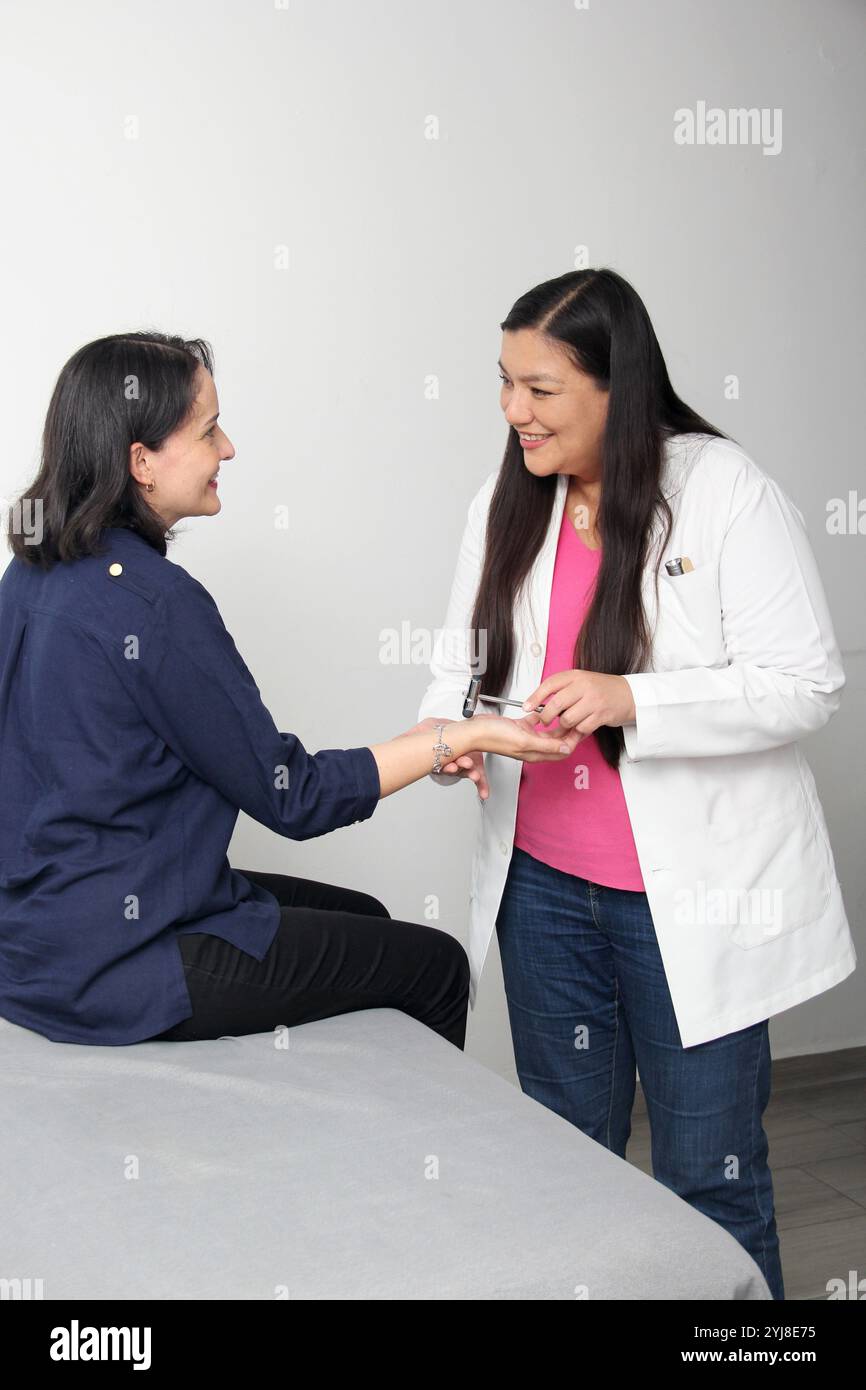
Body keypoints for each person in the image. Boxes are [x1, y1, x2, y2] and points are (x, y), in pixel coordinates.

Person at [417, 266, 857, 1302]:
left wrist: (635, 701)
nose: (510, 410)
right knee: (566, 1165)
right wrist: (459, 732)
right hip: (543, 894)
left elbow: (804, 685)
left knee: (709, 1175)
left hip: (687, 903)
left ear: (617, 387)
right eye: (503, 382)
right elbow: (458, 663)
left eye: (539, 388)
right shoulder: (504, 501)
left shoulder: (720, 490)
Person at [0, 332, 583, 1058]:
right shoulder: (156, 606)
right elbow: (292, 795)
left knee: (363, 916)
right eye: (209, 431)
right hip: (121, 963)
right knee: (433, 967)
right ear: (140, 462)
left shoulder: (32, 576)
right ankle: (410, 1166)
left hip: (36, 942)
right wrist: (459, 737)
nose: (230, 449)